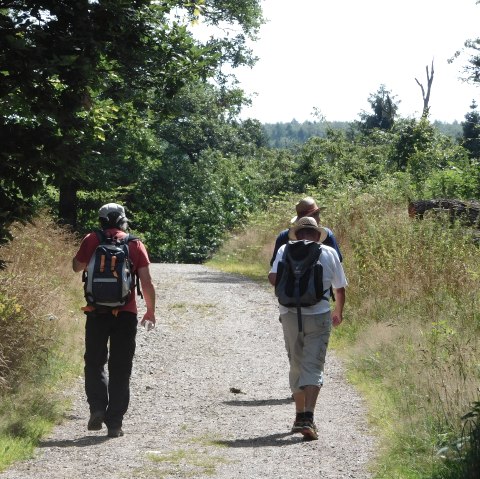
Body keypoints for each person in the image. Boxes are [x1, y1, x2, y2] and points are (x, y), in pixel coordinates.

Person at [72, 203, 156, 438]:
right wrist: (150, 310)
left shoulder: (91, 239)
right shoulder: (134, 243)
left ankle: (97, 408)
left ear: (101, 221)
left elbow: (76, 267)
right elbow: (147, 282)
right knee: (121, 368)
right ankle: (115, 423)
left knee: (95, 362)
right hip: (126, 312)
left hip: (96, 311)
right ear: (122, 220)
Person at [268, 216, 347, 440]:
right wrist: (338, 312)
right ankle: (308, 418)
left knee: (296, 363)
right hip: (319, 314)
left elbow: (273, 278)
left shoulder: (284, 249)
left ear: (298, 233)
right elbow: (340, 289)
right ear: (315, 234)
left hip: (290, 314)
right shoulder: (329, 252)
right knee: (314, 364)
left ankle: (298, 415)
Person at [270, 196, 342, 266]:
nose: (319, 219)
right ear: (310, 218)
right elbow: (337, 262)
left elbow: (274, 264)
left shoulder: (284, 235)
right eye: (317, 214)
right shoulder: (326, 235)